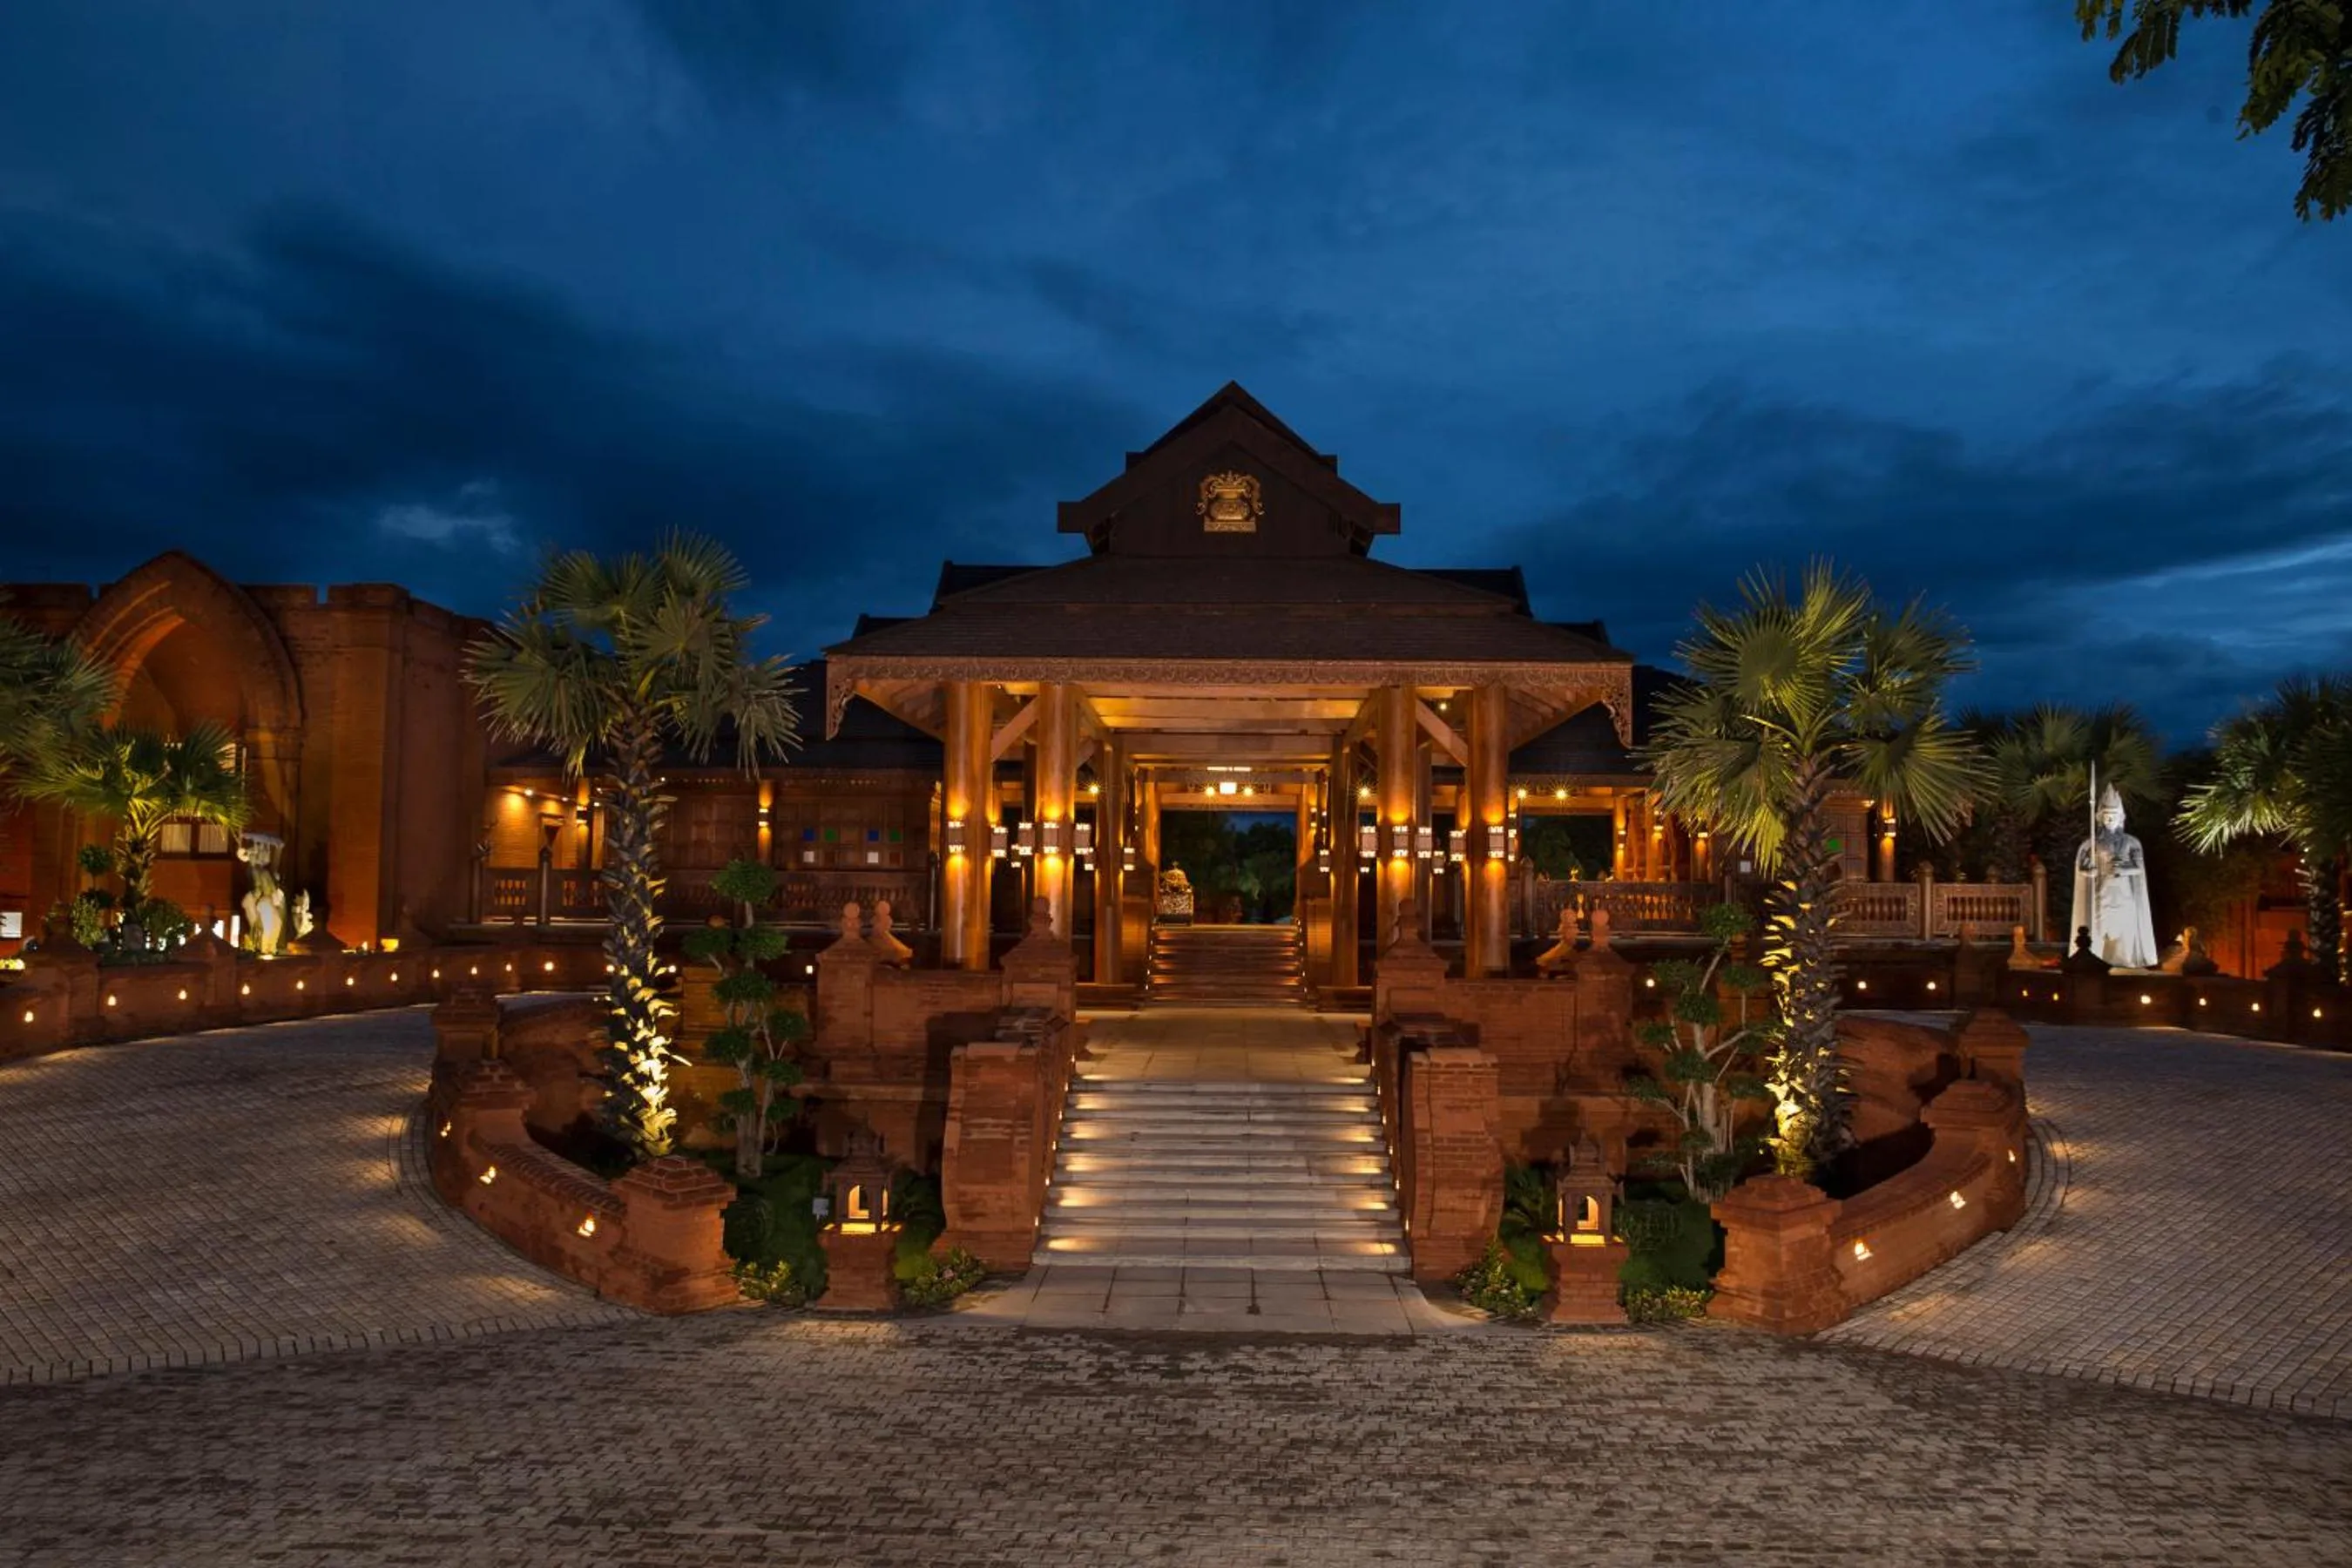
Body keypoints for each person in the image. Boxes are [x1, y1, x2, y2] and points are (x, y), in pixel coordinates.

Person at [2070, 784, 2159, 969]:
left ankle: (2124, 962)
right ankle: (2098, 961)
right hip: (2102, 893)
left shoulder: (2131, 842)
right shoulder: (2091, 844)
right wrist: (2090, 871)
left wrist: (2123, 869)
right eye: (2106, 815)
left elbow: (2138, 867)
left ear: (2120, 818)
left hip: (2124, 894)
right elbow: (2082, 868)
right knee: (2100, 928)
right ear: (2100, 818)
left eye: (2113, 815)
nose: (2110, 819)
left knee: (2125, 931)